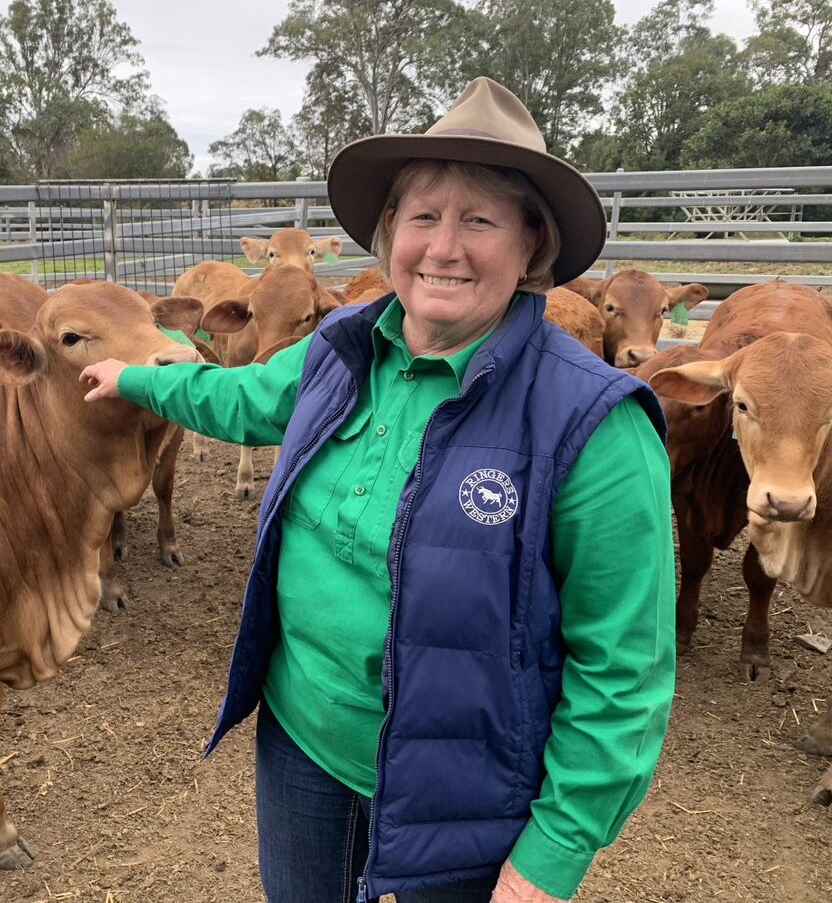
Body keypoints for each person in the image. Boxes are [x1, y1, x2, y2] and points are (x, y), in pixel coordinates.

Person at [81, 78, 675, 903]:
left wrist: (551, 859)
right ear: (388, 232)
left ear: (532, 244)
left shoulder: (592, 424)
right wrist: (138, 378)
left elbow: (625, 670)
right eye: (423, 217)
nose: (444, 246)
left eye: (480, 220)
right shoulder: (342, 346)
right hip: (300, 742)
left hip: (462, 794)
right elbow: (247, 398)